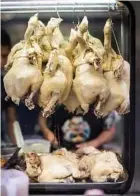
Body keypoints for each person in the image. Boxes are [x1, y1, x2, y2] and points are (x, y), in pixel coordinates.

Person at [38, 105, 117, 150]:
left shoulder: (100, 101)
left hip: (93, 152)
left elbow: (110, 130)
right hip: (59, 152)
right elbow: (43, 116)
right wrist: (46, 131)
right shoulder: (60, 96)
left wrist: (96, 142)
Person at [1, 28, 17, 144]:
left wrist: (18, 147)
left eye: (5, 56)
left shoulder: (5, 83)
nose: (2, 61)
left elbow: (11, 120)